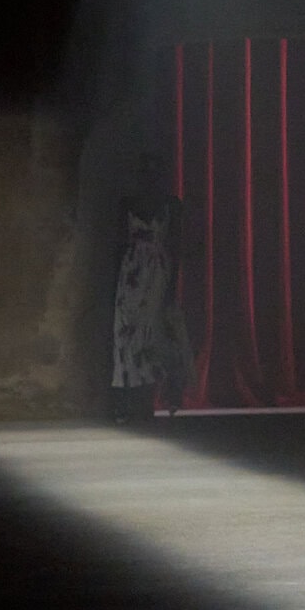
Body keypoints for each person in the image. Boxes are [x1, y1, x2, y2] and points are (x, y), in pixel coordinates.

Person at [111, 154, 191, 423]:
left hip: (157, 272)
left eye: (155, 172)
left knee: (153, 333)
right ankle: (127, 398)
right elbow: (119, 243)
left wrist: (172, 285)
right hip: (131, 272)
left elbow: (176, 246)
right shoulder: (127, 204)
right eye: (145, 172)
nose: (150, 177)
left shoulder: (171, 205)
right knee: (126, 334)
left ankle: (153, 396)